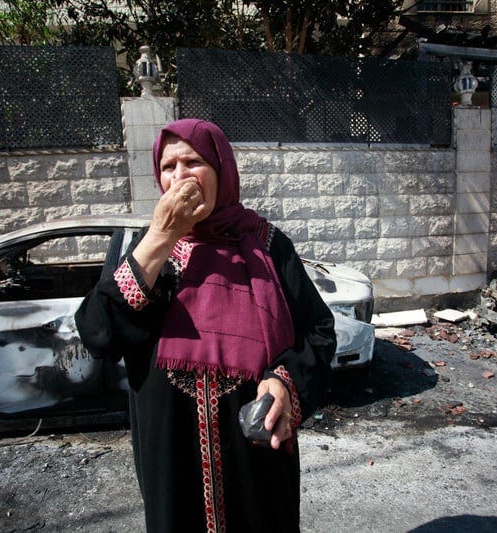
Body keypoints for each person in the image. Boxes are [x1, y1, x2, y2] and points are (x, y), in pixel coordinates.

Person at [75, 118, 336, 532]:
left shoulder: (268, 245)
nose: (180, 177)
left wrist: (286, 383)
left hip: (256, 461)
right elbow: (97, 334)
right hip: (170, 458)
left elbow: (318, 332)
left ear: (222, 170)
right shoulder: (143, 249)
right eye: (167, 166)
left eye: (193, 162)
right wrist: (162, 236)